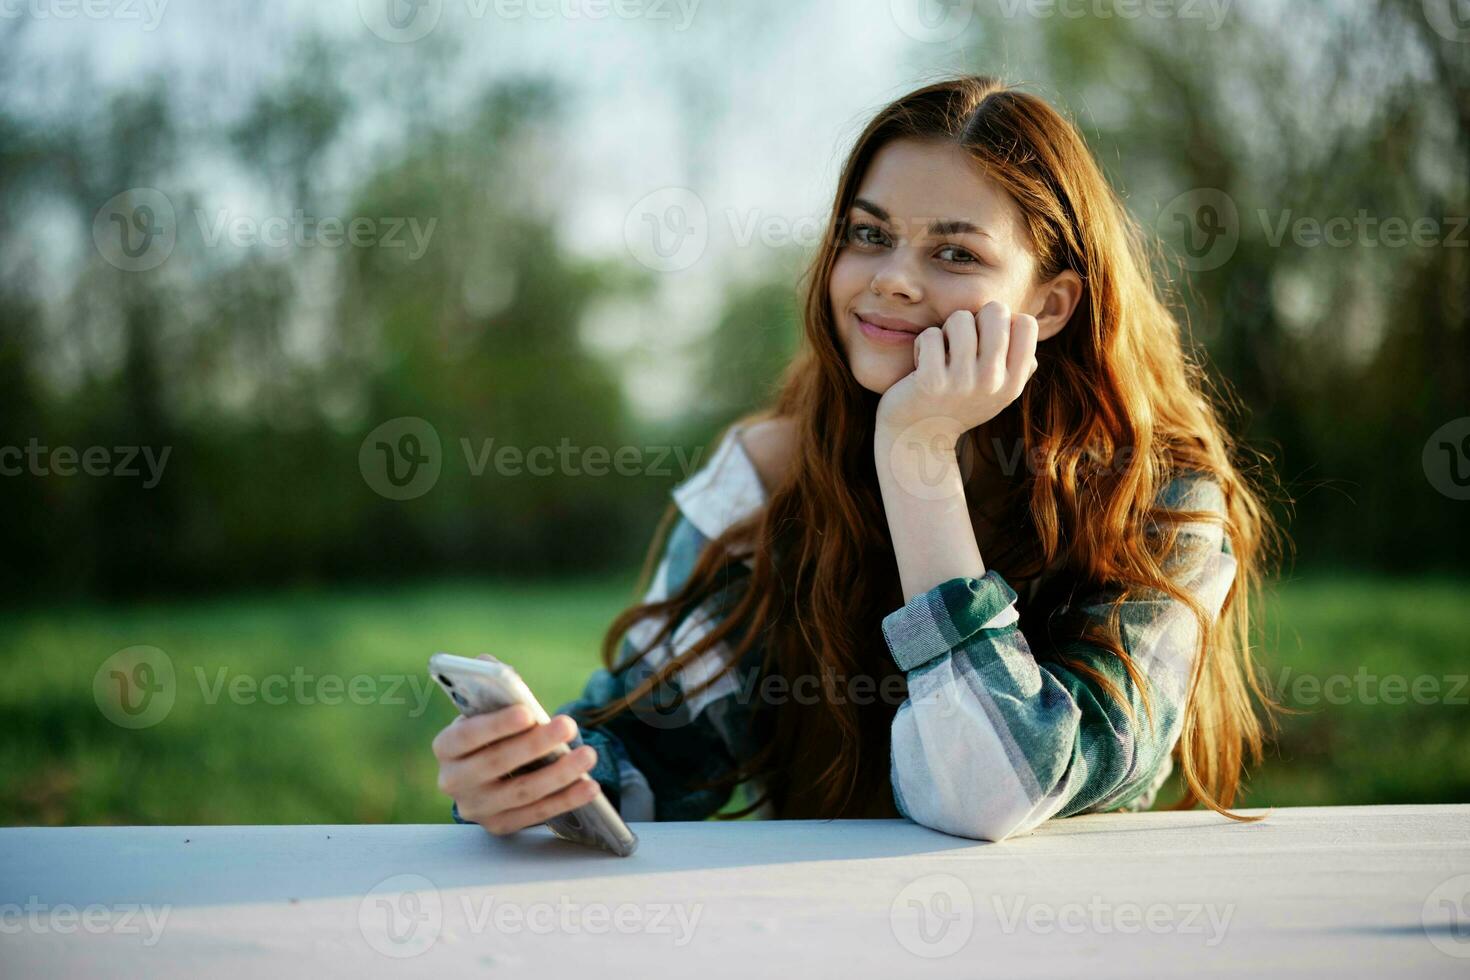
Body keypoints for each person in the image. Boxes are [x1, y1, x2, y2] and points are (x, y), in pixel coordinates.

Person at [432, 74, 1286, 843]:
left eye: (955, 253)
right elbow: (658, 748)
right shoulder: (767, 478)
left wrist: (916, 454)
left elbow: (992, 793)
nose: (893, 280)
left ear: (1052, 304)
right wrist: (530, 777)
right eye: (868, 236)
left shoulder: (1159, 499)